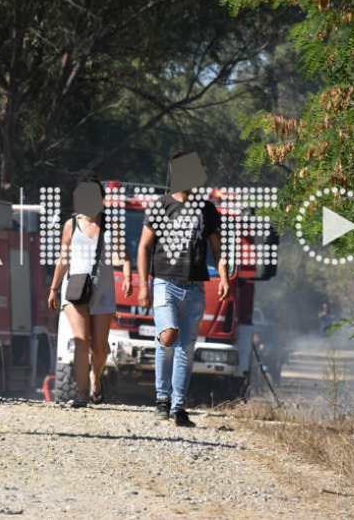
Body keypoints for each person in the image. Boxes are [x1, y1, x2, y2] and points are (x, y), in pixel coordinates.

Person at [137, 151, 229, 427]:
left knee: (186, 348)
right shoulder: (161, 206)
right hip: (165, 282)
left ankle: (177, 407)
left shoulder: (207, 210)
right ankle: (161, 397)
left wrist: (224, 277)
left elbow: (217, 249)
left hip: (195, 287)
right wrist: (143, 284)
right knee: (168, 337)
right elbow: (143, 247)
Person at [48, 173, 133, 407]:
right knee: (81, 340)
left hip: (103, 293)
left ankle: (96, 378)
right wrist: (54, 288)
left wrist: (127, 277)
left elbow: (125, 257)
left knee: (98, 348)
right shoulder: (71, 225)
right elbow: (63, 259)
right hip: (75, 290)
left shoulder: (111, 225)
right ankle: (82, 394)